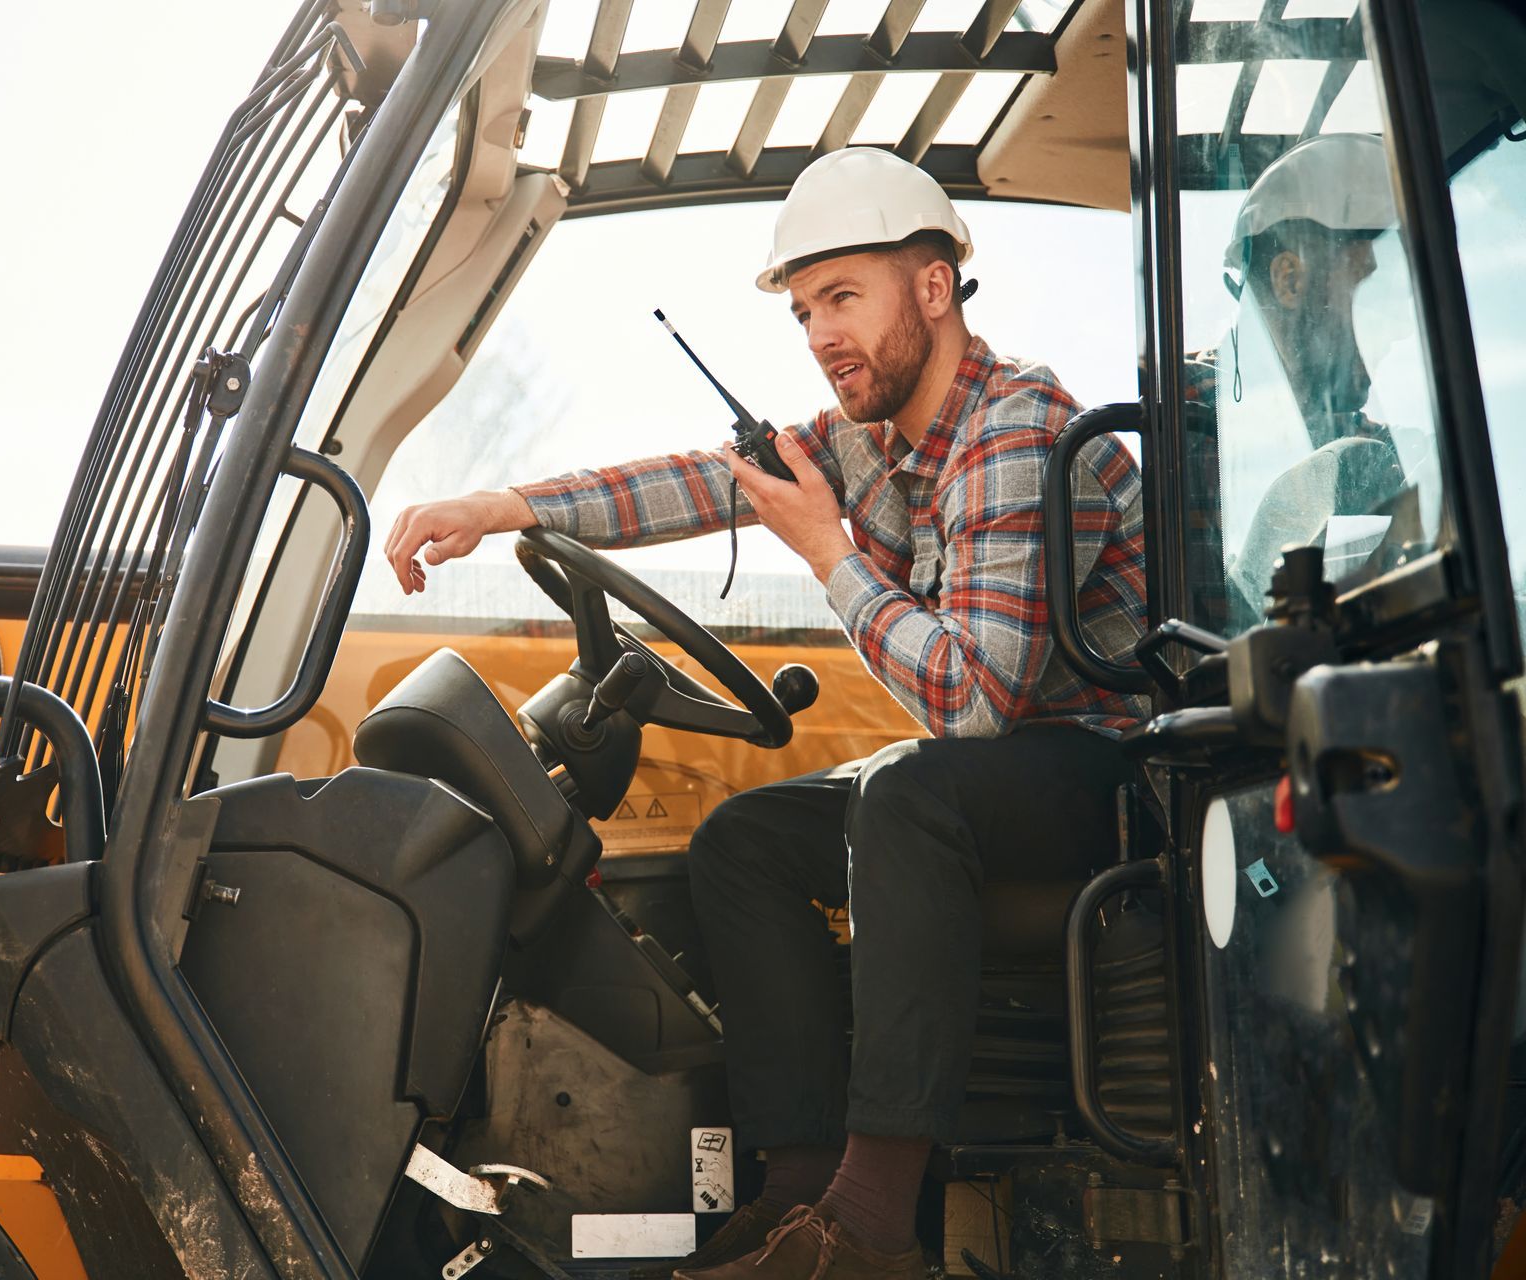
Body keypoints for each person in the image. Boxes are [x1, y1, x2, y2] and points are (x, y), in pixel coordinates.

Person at [385, 146, 1148, 1280]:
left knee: (908, 791)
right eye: (803, 313)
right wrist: (501, 504)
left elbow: (975, 706)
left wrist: (831, 556)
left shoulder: (1012, 426)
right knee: (741, 839)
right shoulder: (873, 442)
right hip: (995, 770)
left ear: (931, 289)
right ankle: (796, 1194)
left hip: (1112, 768)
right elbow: (699, 480)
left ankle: (872, 1224)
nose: (821, 334)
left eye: (844, 296)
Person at [1182, 133, 1413, 631]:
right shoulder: (1195, 412)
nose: (1398, 325)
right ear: (1290, 279)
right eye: (1374, 287)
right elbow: (1216, 636)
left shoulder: (1369, 443)